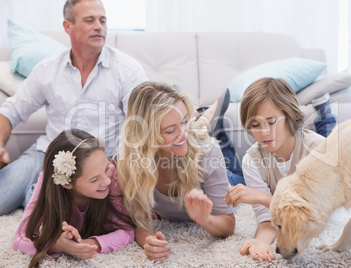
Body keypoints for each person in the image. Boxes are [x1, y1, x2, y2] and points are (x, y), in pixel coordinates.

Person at [0, 0, 147, 215]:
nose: (99, 26)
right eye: (90, 20)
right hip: (46, 154)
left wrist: (119, 170)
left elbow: (141, 127)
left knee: (63, 213)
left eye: (103, 20)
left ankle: (37, 198)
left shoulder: (128, 69)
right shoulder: (47, 70)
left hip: (101, 163)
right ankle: (36, 195)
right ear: (68, 27)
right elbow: (10, 111)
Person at [117, 81, 235, 262]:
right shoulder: (131, 159)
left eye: (184, 121)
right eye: (170, 130)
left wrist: (205, 220)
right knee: (197, 133)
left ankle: (208, 118)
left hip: (229, 173)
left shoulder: (208, 151)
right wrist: (150, 241)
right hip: (191, 147)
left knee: (226, 159)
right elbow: (139, 223)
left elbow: (228, 225)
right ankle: (202, 119)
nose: (182, 134)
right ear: (145, 134)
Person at [224, 77, 325, 262]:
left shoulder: (318, 150)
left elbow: (311, 216)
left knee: (330, 133)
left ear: (290, 116)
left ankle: (325, 112)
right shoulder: (252, 160)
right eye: (255, 125)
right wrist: (261, 242)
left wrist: (262, 197)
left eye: (271, 122)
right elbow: (267, 218)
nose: (264, 132)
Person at [12, 129, 136, 268]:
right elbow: (19, 240)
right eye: (94, 179)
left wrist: (89, 244)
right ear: (67, 183)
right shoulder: (48, 180)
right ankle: (30, 192)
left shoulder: (112, 176)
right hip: (47, 191)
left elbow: (128, 231)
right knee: (30, 198)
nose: (106, 181)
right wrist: (55, 245)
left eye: (106, 167)